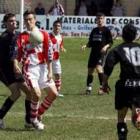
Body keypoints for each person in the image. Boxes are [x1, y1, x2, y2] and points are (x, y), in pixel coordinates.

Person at [13, 10, 58, 130]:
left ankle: (36, 115)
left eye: (30, 19)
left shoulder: (44, 34)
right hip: (30, 68)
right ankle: (34, 120)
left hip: (43, 67)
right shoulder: (21, 37)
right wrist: (15, 64)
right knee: (37, 94)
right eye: (26, 19)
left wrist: (50, 70)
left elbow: (49, 53)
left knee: (53, 94)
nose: (28, 21)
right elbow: (17, 53)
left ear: (35, 20)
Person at [102, 23, 140, 140]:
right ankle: (137, 115)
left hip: (125, 85)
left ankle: (122, 136)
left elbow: (108, 66)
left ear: (122, 35)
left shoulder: (117, 49)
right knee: (137, 109)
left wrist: (104, 83)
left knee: (121, 116)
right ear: (135, 36)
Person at [0, 13, 31, 129]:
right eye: (11, 21)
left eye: (15, 21)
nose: (14, 23)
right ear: (6, 23)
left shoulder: (20, 35)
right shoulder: (4, 38)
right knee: (16, 93)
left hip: (16, 69)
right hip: (5, 69)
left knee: (29, 93)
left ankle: (28, 121)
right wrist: (14, 63)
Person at [81, 12, 113, 95]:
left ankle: (102, 88)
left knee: (99, 67)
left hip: (101, 53)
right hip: (93, 53)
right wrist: (85, 45)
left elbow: (110, 42)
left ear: (104, 19)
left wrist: (105, 47)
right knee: (90, 70)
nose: (100, 20)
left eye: (101, 18)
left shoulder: (106, 30)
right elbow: (90, 42)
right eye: (98, 18)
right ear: (96, 20)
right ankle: (88, 89)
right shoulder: (94, 30)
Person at [49, 20, 66, 97]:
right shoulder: (48, 35)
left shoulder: (61, 37)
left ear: (61, 27)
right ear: (53, 27)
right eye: (55, 25)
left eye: (59, 26)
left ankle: (57, 92)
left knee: (58, 75)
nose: (57, 27)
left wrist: (62, 48)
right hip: (48, 59)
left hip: (56, 58)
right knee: (47, 76)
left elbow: (61, 45)